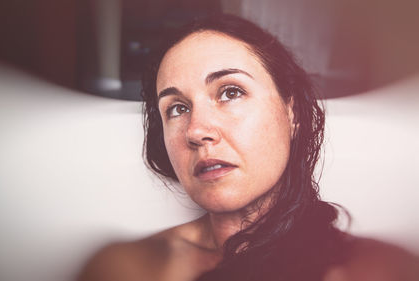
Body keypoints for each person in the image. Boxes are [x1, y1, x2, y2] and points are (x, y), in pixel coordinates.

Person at [81, 14, 418, 281]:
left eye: (231, 92)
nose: (196, 130)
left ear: (293, 113)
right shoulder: (121, 269)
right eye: (177, 108)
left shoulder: (383, 270)